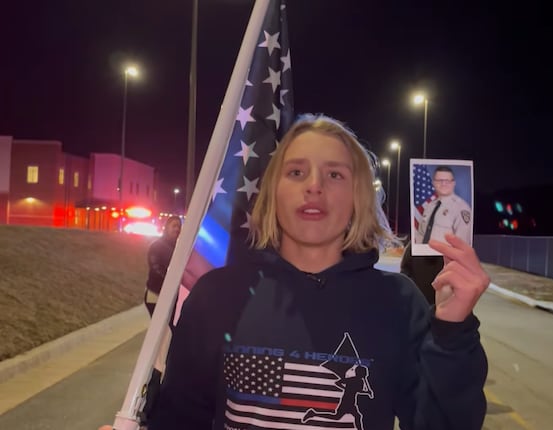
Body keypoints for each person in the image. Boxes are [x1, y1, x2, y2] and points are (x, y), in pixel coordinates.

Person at [101, 114, 489, 430]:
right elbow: (181, 419)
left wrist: (454, 333)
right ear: (272, 193)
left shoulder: (399, 303)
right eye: (297, 172)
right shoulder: (218, 295)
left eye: (335, 174)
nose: (315, 187)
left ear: (358, 198)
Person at [414, 165, 472, 245]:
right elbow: (421, 234)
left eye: (447, 181)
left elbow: (462, 244)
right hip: (423, 256)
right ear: (433, 183)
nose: (443, 184)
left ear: (453, 183)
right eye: (439, 180)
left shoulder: (461, 208)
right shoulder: (429, 206)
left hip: (445, 257)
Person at [144, 215, 182, 316]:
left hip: (170, 296)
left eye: (179, 226)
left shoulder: (179, 248)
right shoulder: (156, 246)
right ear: (166, 227)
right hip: (155, 295)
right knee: (159, 329)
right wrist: (172, 279)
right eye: (174, 226)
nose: (177, 229)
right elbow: (156, 267)